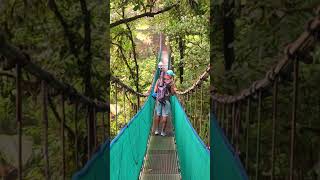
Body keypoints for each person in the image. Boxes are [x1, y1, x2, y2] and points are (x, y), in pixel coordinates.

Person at [153, 69, 177, 136]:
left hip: (159, 99)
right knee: (165, 116)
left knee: (158, 114)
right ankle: (162, 132)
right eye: (172, 75)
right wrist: (174, 90)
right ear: (170, 76)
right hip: (166, 100)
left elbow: (155, 91)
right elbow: (172, 93)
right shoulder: (171, 83)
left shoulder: (159, 80)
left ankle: (157, 130)